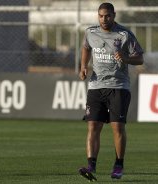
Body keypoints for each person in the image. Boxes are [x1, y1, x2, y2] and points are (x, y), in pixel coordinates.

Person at [78, 2, 144, 182]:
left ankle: (118, 165)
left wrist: (126, 58)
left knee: (117, 127)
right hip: (96, 86)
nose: (104, 19)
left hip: (118, 86)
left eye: (107, 15)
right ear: (97, 16)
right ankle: (91, 165)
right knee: (93, 126)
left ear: (114, 15)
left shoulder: (124, 34)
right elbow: (86, 48)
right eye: (100, 16)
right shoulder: (90, 32)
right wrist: (83, 66)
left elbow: (140, 58)